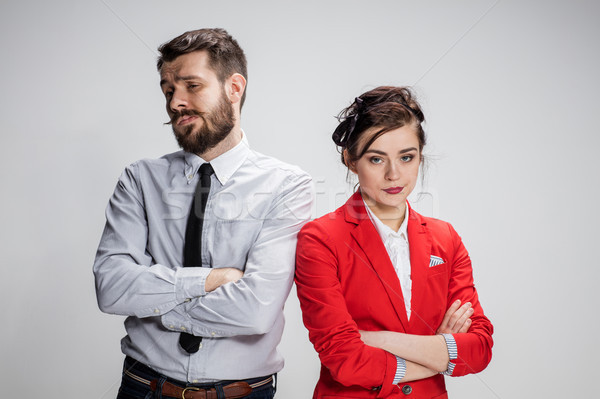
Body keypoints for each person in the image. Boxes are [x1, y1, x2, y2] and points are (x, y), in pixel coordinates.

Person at [94, 28, 313, 399]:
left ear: (234, 87)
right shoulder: (139, 179)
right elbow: (112, 289)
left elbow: (255, 312)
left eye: (191, 86)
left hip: (244, 393)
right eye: (168, 90)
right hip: (143, 388)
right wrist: (212, 279)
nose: (176, 102)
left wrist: (155, 308)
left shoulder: (287, 185)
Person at [295, 86, 493, 398]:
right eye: (376, 159)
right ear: (350, 159)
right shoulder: (320, 239)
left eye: (406, 157)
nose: (394, 174)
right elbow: (344, 359)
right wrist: (439, 354)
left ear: (419, 157)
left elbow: (479, 349)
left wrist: (380, 340)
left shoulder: (446, 239)